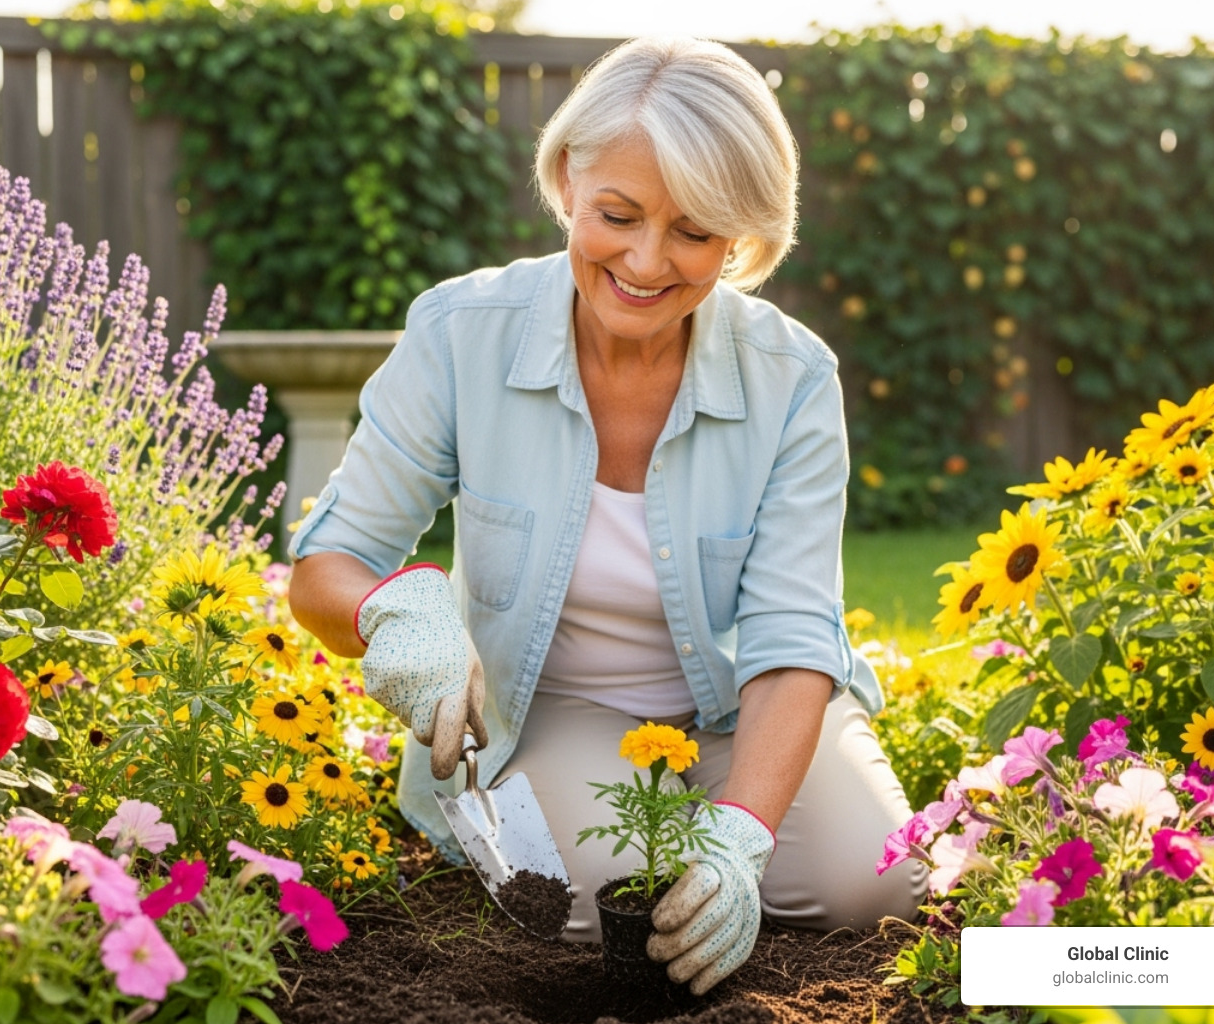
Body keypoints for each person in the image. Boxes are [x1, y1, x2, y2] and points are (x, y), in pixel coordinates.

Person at [287, 35, 927, 996]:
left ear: (744, 237)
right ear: (566, 183)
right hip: (561, 711)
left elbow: (796, 635)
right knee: (580, 900)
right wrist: (391, 612)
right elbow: (328, 561)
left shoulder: (793, 379)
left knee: (880, 888)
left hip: (737, 711)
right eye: (618, 216)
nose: (646, 260)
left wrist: (743, 839)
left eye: (695, 232)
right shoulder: (462, 335)